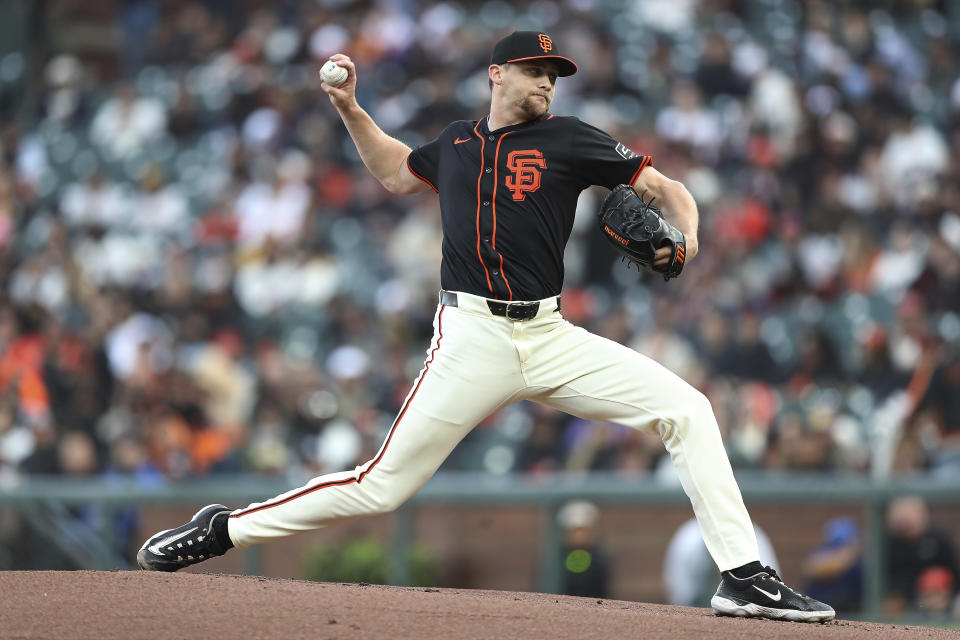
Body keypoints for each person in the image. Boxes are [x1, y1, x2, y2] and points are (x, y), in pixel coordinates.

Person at [137, 30, 834, 623]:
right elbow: (392, 174)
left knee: (689, 408)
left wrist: (688, 242)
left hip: (551, 336)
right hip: (471, 337)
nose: (548, 84)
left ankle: (743, 574)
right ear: (497, 73)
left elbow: (669, 190)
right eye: (536, 71)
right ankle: (224, 529)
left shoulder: (570, 139)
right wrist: (350, 109)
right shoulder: (456, 144)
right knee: (381, 486)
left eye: (555, 75)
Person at [556, 500, 609, 599]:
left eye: (583, 530)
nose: (579, 535)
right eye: (574, 530)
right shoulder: (555, 559)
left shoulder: (599, 560)